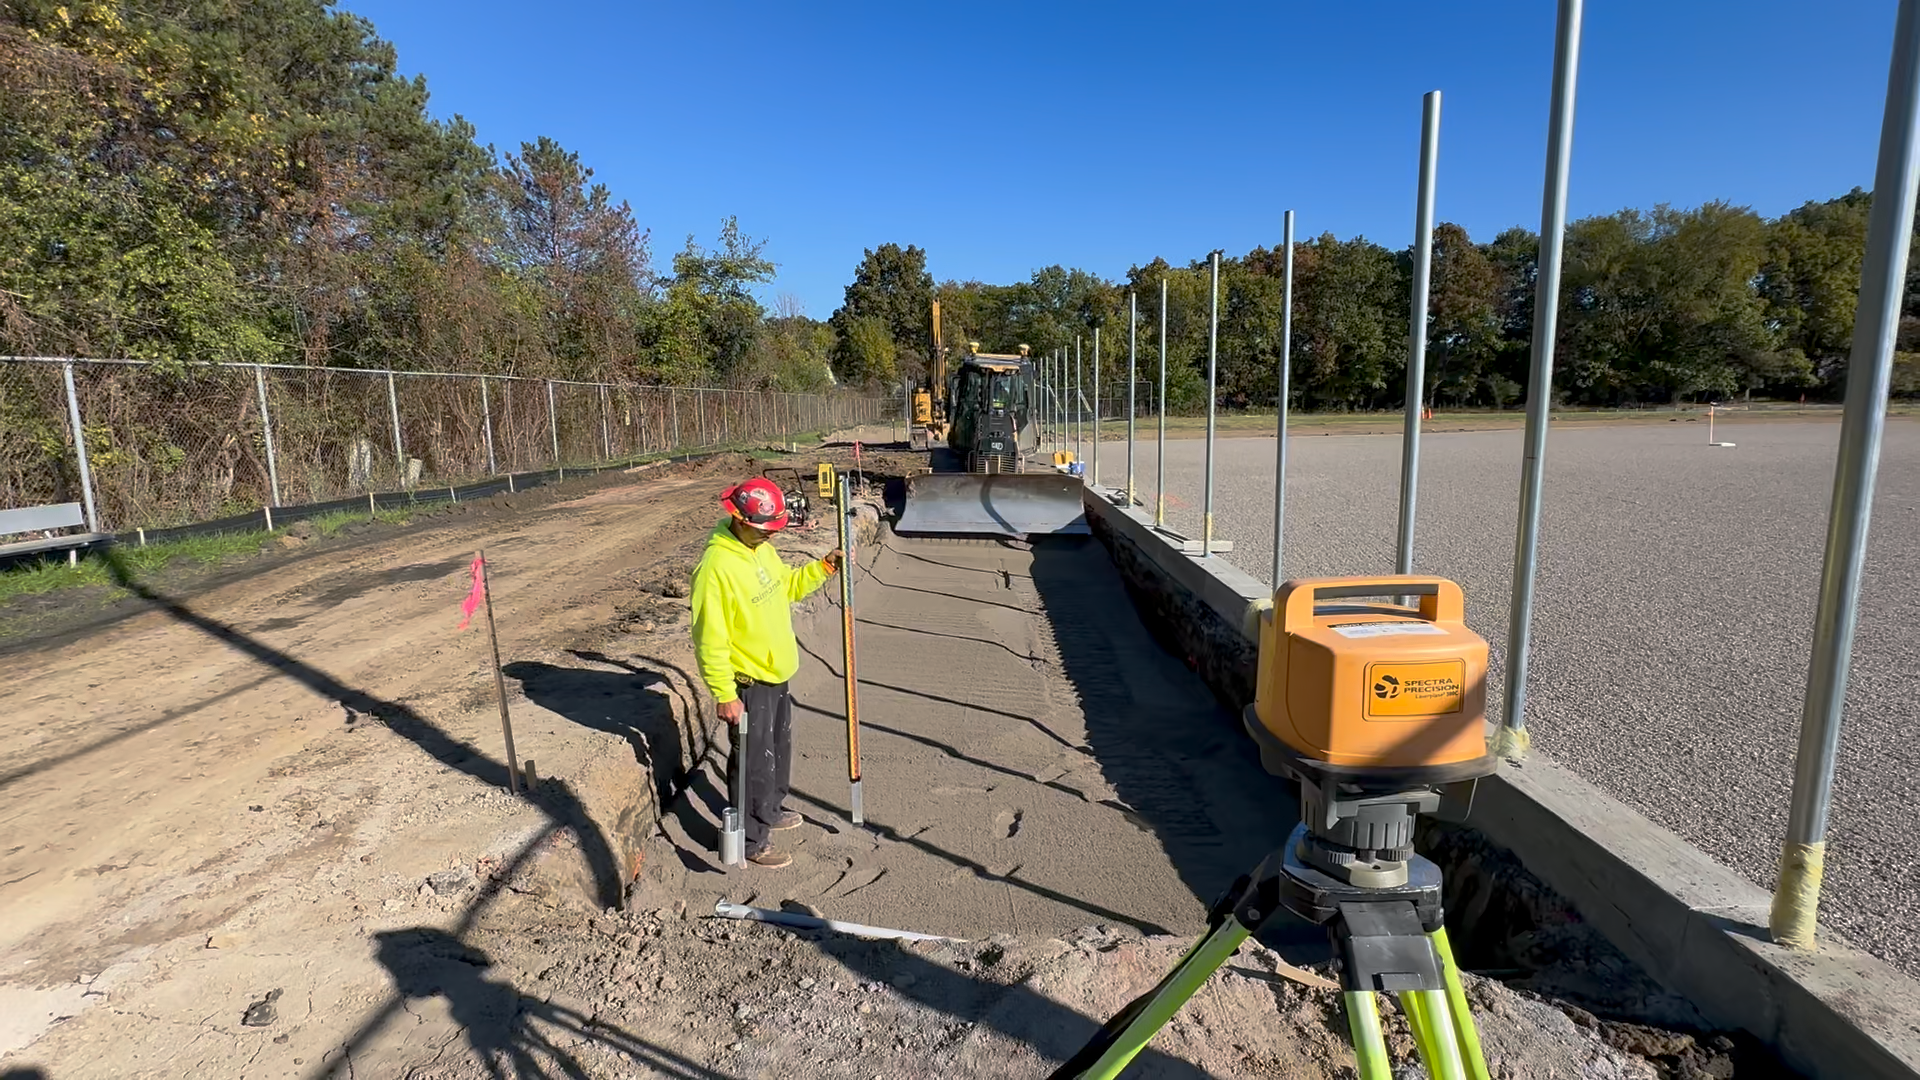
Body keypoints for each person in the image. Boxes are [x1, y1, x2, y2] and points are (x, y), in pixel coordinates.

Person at [689, 477, 843, 868]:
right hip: (748, 683)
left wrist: (823, 568)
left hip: (776, 673)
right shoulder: (717, 568)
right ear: (739, 519)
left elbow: (786, 587)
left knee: (778, 748)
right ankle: (753, 840)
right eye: (763, 531)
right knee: (753, 764)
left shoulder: (760, 551)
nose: (769, 538)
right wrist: (724, 692)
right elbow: (710, 637)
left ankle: (772, 810)